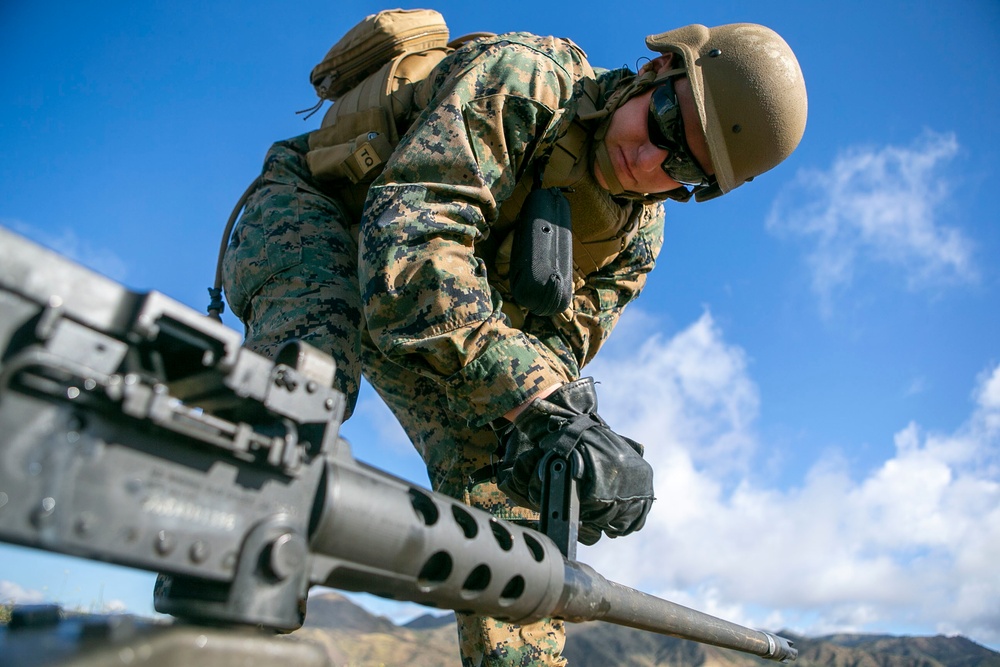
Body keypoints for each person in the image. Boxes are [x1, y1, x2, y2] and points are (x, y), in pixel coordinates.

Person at [221, 18, 807, 667]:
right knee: (306, 388)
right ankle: (215, 604)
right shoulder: (524, 82)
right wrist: (546, 405)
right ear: (654, 73)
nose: (649, 161)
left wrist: (565, 443)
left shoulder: (636, 239)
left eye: (683, 166)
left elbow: (553, 347)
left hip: (425, 299)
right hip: (320, 218)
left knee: (513, 479)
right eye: (664, 122)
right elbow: (412, 255)